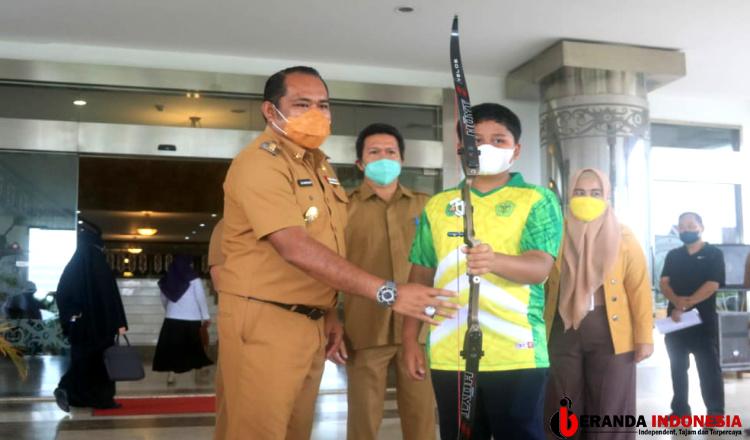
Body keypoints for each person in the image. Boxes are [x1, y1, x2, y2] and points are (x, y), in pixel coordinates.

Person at [214, 66, 457, 439]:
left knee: (295, 431)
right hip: (266, 317)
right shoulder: (261, 163)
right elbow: (293, 245)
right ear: (270, 110)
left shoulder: (319, 165)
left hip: (310, 321)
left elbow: (326, 246)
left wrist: (328, 312)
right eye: (302, 104)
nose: (316, 113)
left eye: (323, 104)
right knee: (258, 431)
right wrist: (388, 291)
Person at [403, 103, 563, 440]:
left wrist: (495, 261)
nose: (486, 147)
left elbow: (540, 267)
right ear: (460, 147)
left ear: (515, 150)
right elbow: (419, 278)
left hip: (516, 353)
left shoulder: (537, 200)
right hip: (449, 354)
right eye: (476, 140)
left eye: (498, 140)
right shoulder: (438, 205)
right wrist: (410, 341)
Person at [340, 123, 436, 440]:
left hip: (419, 329)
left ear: (402, 160)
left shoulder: (427, 206)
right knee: (363, 421)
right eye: (374, 152)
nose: (384, 157)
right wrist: (331, 317)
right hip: (364, 328)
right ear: (360, 163)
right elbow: (329, 267)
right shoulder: (342, 207)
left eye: (391, 152)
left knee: (421, 419)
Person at [543, 168, 654, 440]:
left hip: (611, 332)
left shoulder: (624, 237)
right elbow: (541, 285)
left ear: (607, 196)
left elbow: (639, 289)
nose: (587, 199)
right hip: (562, 328)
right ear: (569, 196)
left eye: (595, 193)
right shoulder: (554, 233)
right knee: (563, 403)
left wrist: (644, 337)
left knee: (609, 407)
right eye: (579, 192)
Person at [54, 222, 127, 411]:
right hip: (103, 326)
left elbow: (62, 293)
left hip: (81, 327)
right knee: (101, 364)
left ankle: (74, 394)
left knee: (82, 362)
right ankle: (100, 399)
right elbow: (111, 297)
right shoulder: (100, 265)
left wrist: (73, 314)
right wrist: (119, 322)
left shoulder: (73, 267)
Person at [660, 212, 725, 416]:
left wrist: (686, 303)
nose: (686, 229)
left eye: (691, 225)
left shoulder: (714, 254)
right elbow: (664, 283)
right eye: (682, 226)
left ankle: (715, 413)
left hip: (703, 323)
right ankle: (680, 411)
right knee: (677, 368)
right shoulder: (673, 255)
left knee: (709, 370)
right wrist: (676, 301)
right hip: (676, 321)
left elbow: (712, 284)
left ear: (701, 227)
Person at [152, 254, 213, 384]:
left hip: (172, 318)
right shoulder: (194, 279)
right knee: (194, 347)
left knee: (173, 348)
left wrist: (169, 310)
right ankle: (198, 373)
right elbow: (200, 298)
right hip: (192, 318)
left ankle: (171, 374)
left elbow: (163, 298)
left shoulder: (169, 278)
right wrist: (206, 316)